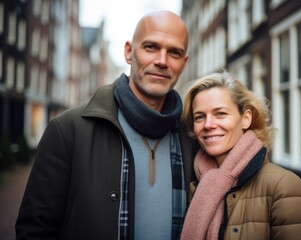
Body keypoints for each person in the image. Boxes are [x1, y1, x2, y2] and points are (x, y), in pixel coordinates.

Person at [16, 10, 195, 240]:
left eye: (174, 52)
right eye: (151, 47)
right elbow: (34, 231)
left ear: (184, 62)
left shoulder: (192, 138)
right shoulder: (67, 131)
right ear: (129, 52)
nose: (161, 61)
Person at [180, 71, 301, 240]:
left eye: (220, 113)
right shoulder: (193, 185)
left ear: (246, 118)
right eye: (199, 117)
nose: (208, 124)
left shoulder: (283, 187)